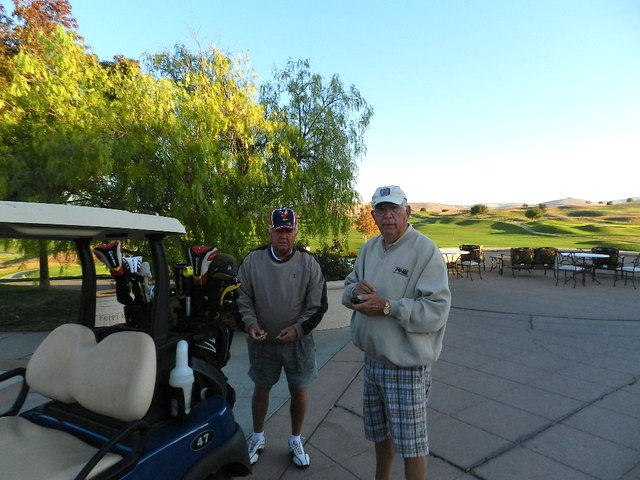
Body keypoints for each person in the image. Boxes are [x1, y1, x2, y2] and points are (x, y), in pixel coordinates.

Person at [342, 185, 451, 480]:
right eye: (381, 210)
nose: (388, 216)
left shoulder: (424, 251)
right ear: (373, 215)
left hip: (406, 366)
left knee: (411, 446)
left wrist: (388, 307)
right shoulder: (370, 248)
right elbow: (349, 289)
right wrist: (355, 292)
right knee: (381, 436)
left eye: (394, 209)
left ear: (407, 211)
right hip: (372, 361)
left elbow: (436, 311)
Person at [237, 207, 327, 468]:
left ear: (296, 232)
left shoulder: (309, 263)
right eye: (279, 231)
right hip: (262, 341)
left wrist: (298, 329)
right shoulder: (253, 260)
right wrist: (250, 323)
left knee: (299, 389)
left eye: (288, 231)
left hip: (298, 343)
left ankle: (295, 439)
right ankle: (257, 437)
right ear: (270, 232)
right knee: (261, 387)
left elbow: (317, 305)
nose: (284, 236)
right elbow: (241, 297)